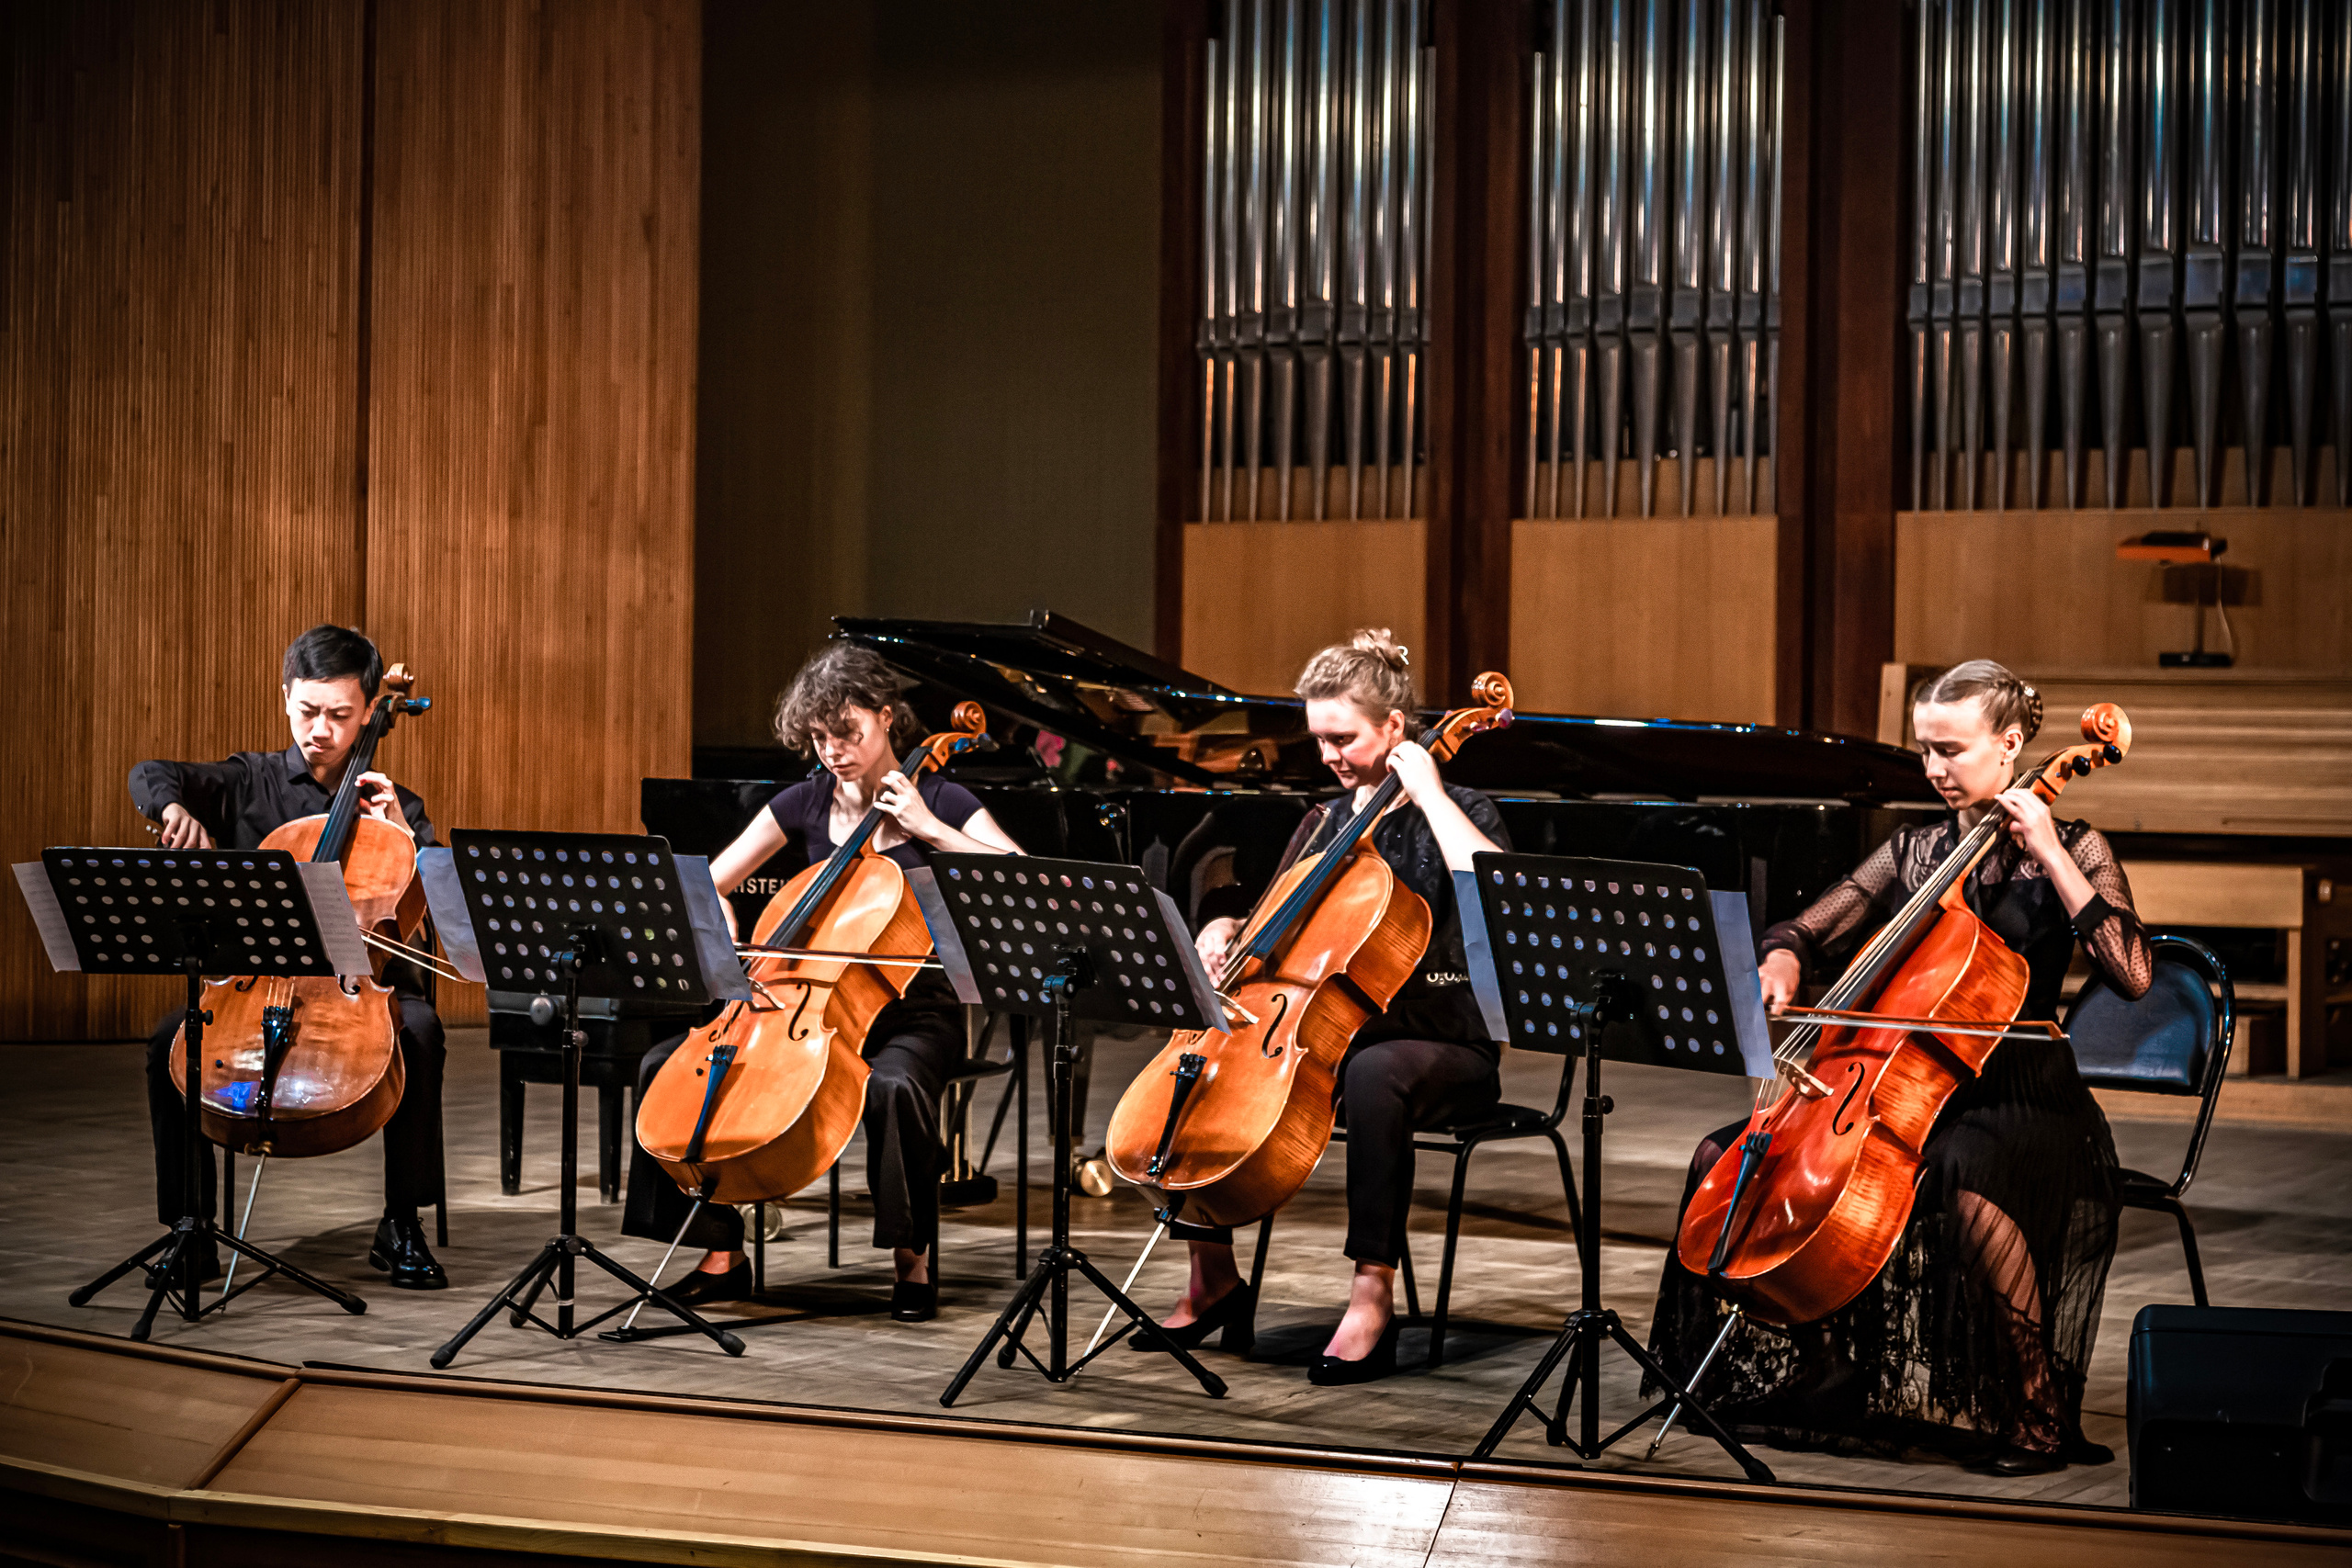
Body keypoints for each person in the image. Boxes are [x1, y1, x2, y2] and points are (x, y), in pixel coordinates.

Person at [1645, 660, 2152, 1474]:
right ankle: (1825, 1369)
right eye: (1924, 751)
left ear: (2011, 745)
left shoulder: (2078, 844)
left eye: (1951, 750)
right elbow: (1806, 927)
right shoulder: (1913, 849)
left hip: (2021, 1095)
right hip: (1898, 1081)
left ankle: (2035, 1408)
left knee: (1961, 1169)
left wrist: (2053, 853)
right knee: (1724, 1152)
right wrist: (1779, 959)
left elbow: (2131, 973)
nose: (1934, 770)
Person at [1143, 629, 1510, 1386]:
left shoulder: (1464, 807)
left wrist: (1432, 795)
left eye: (1343, 737)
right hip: (1323, 1033)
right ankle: (1212, 1277)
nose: (1330, 756)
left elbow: (1501, 896)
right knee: (1192, 1062)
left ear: (1395, 729)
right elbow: (1270, 922)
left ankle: (1371, 1294)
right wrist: (1224, 933)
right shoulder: (1320, 823)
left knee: (1376, 1074)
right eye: (1319, 740)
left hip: (1442, 1040)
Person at [621, 644, 1022, 1322]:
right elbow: (707, 886)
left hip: (912, 1009)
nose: (834, 750)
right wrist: (727, 937)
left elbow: (1019, 871)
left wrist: (929, 828)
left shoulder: (945, 795)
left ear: (887, 719)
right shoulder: (804, 802)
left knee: (894, 1088)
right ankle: (721, 1256)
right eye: (819, 736)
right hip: (800, 1002)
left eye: (849, 733)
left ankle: (912, 1261)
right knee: (667, 1066)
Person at [128, 625, 449, 1289]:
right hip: (256, 982)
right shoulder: (250, 782)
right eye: (307, 711)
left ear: (368, 712)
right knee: (172, 1040)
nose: (321, 729)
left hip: (353, 988)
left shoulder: (396, 802)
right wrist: (170, 809)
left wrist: (405, 832)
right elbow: (150, 773)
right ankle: (190, 1230)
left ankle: (402, 1221)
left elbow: (435, 909)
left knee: (419, 1032)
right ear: (285, 699)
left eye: (338, 714)